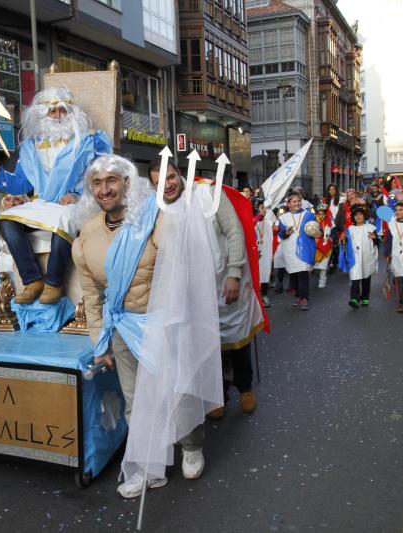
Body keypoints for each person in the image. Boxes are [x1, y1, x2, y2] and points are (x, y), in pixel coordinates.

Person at [73, 154, 221, 498]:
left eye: (112, 181)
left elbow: (180, 270)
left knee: (178, 390)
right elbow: (92, 295)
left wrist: (170, 314)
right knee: (135, 400)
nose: (105, 189)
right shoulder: (87, 234)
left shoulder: (153, 219)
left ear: (128, 183)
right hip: (123, 329)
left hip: (163, 323)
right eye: (97, 183)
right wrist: (100, 342)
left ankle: (192, 444)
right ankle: (147, 466)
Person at [147, 160, 266, 421]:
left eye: (169, 178)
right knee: (208, 343)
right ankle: (217, 394)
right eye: (158, 183)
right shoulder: (161, 209)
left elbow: (234, 231)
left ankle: (245, 388)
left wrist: (234, 274)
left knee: (237, 338)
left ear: (179, 174)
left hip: (226, 281)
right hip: (195, 289)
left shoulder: (208, 193)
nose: (166, 186)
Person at [0, 86, 112, 305]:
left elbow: (104, 174)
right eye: (53, 111)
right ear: (43, 115)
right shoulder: (32, 148)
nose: (58, 116)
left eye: (63, 110)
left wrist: (77, 194)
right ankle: (33, 280)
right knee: (5, 220)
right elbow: (20, 184)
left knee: (63, 219)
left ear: (72, 113)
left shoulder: (89, 141)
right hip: (42, 203)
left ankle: (54, 283)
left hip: (77, 201)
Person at [277, 192, 316, 310]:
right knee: (294, 272)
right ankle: (298, 295)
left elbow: (316, 228)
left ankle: (304, 298)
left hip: (305, 247)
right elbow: (281, 234)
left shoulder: (309, 215)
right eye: (294, 201)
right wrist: (285, 233)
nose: (297, 203)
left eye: (299, 201)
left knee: (303, 271)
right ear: (288, 204)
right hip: (290, 248)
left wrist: (319, 233)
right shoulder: (283, 218)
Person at [339, 205, 379, 307]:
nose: (358, 217)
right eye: (356, 215)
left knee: (366, 277)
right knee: (355, 277)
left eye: (360, 214)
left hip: (367, 256)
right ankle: (354, 299)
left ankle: (365, 297)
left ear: (364, 215)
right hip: (354, 257)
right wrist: (343, 239)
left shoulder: (370, 227)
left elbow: (377, 242)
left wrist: (375, 238)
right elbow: (345, 243)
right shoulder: (350, 229)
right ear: (353, 217)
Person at [313, 204, 333, 288]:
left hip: (326, 246)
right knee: (312, 264)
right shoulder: (313, 223)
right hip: (315, 246)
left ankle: (322, 280)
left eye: (323, 214)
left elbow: (335, 232)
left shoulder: (330, 223)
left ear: (326, 214)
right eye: (319, 214)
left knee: (323, 265)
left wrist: (332, 238)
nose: (321, 216)